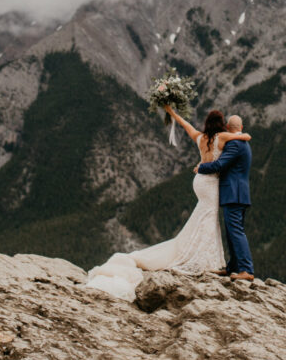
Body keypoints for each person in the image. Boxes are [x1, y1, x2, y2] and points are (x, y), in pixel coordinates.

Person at [84, 107, 250, 300]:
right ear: (222, 125)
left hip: (199, 182)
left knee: (203, 216)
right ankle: (209, 260)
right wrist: (244, 133)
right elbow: (242, 138)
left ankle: (213, 260)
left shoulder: (200, 137)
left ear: (207, 124)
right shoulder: (223, 137)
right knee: (209, 218)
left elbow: (184, 124)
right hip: (211, 182)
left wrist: (170, 110)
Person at [196, 114, 254, 280]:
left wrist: (201, 167)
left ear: (228, 128)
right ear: (241, 128)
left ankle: (247, 270)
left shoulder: (235, 144)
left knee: (235, 231)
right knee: (232, 231)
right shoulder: (243, 143)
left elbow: (220, 164)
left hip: (233, 194)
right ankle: (233, 267)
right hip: (239, 193)